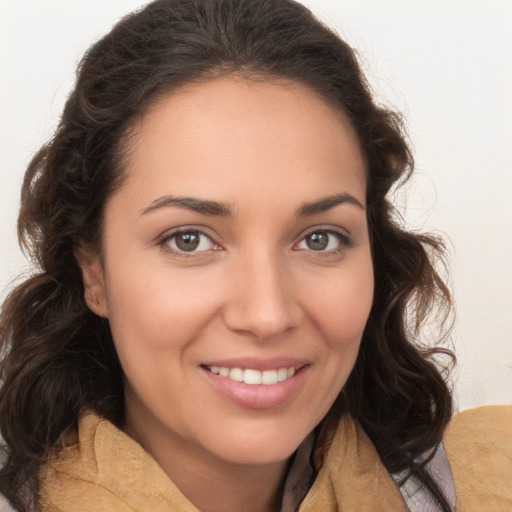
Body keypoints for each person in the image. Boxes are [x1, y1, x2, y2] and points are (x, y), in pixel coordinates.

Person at [0, 0, 510, 511]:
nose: (267, 315)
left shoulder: (487, 484)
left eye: (320, 239)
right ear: (94, 271)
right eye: (189, 240)